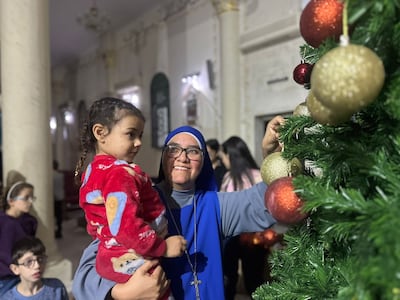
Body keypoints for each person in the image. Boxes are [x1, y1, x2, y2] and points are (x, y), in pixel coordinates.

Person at [72, 115, 285, 300]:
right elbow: (86, 273)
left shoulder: (216, 205)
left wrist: (272, 156)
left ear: (204, 162)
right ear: (163, 157)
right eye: (173, 149)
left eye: (193, 151)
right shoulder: (138, 201)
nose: (182, 157)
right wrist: (123, 293)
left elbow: (268, 201)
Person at [74, 97, 186, 294]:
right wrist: (163, 247)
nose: (138, 143)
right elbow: (126, 226)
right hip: (133, 259)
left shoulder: (93, 172)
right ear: (100, 133)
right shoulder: (118, 174)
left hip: (110, 257)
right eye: (130, 134)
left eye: (140, 135)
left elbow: (95, 225)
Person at [219, 136, 269, 299]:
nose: (223, 161)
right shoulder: (260, 175)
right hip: (256, 236)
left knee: (229, 279)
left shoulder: (228, 178)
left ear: (230, 155)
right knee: (255, 281)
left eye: (223, 157)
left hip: (232, 235)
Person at [0, 176, 38, 298]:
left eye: (32, 197)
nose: (31, 201)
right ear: (11, 201)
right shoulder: (2, 221)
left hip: (25, 273)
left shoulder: (30, 221)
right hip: (4, 275)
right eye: (26, 198)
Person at [3, 236, 68, 300]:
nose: (37, 266)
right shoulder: (8, 298)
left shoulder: (57, 288)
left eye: (40, 259)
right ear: (15, 269)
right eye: (29, 262)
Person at [53, 160, 65, 239]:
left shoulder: (50, 175)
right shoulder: (60, 175)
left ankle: (55, 230)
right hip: (60, 196)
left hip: (53, 197)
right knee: (59, 215)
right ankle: (59, 230)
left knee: (54, 215)